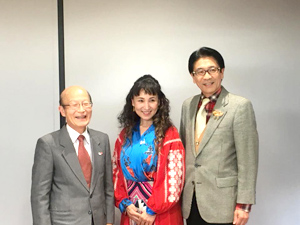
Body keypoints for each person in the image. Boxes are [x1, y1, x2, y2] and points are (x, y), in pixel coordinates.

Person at [180, 47, 259, 225]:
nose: (206, 76)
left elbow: (248, 160)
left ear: (222, 72)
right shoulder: (188, 105)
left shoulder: (239, 106)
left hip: (224, 203)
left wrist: (244, 205)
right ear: (193, 77)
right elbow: (184, 151)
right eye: (200, 72)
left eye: (212, 70)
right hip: (191, 201)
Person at [31, 85, 114, 225]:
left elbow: (107, 186)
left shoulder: (102, 140)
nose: (81, 110)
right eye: (74, 105)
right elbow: (40, 196)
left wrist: (110, 220)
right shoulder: (48, 144)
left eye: (86, 104)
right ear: (62, 110)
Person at [113, 75, 185, 225]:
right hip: (131, 210)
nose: (146, 107)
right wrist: (124, 203)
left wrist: (153, 209)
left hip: (161, 212)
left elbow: (174, 177)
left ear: (159, 103)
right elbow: (116, 172)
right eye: (140, 100)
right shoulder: (124, 136)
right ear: (132, 102)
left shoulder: (169, 135)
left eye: (152, 100)